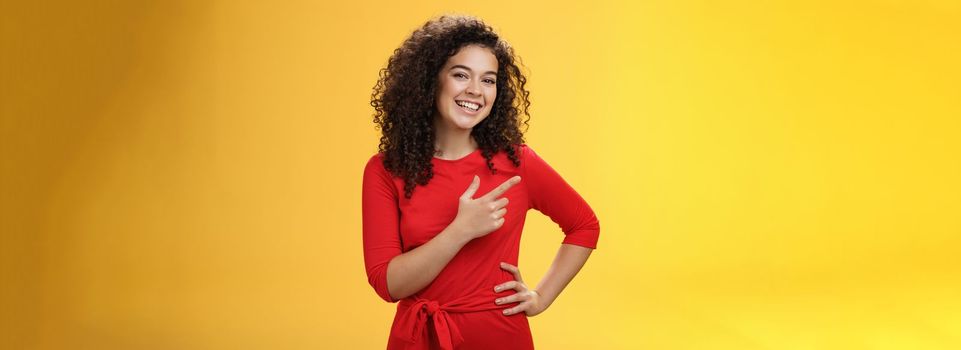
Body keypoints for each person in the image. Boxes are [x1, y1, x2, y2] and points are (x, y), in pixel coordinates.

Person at [362, 14, 600, 350]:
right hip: (418, 338)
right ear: (431, 80)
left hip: (501, 337)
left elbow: (584, 225)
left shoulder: (517, 163)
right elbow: (389, 285)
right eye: (461, 75)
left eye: (488, 80)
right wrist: (461, 230)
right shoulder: (386, 170)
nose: (475, 90)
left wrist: (540, 297)